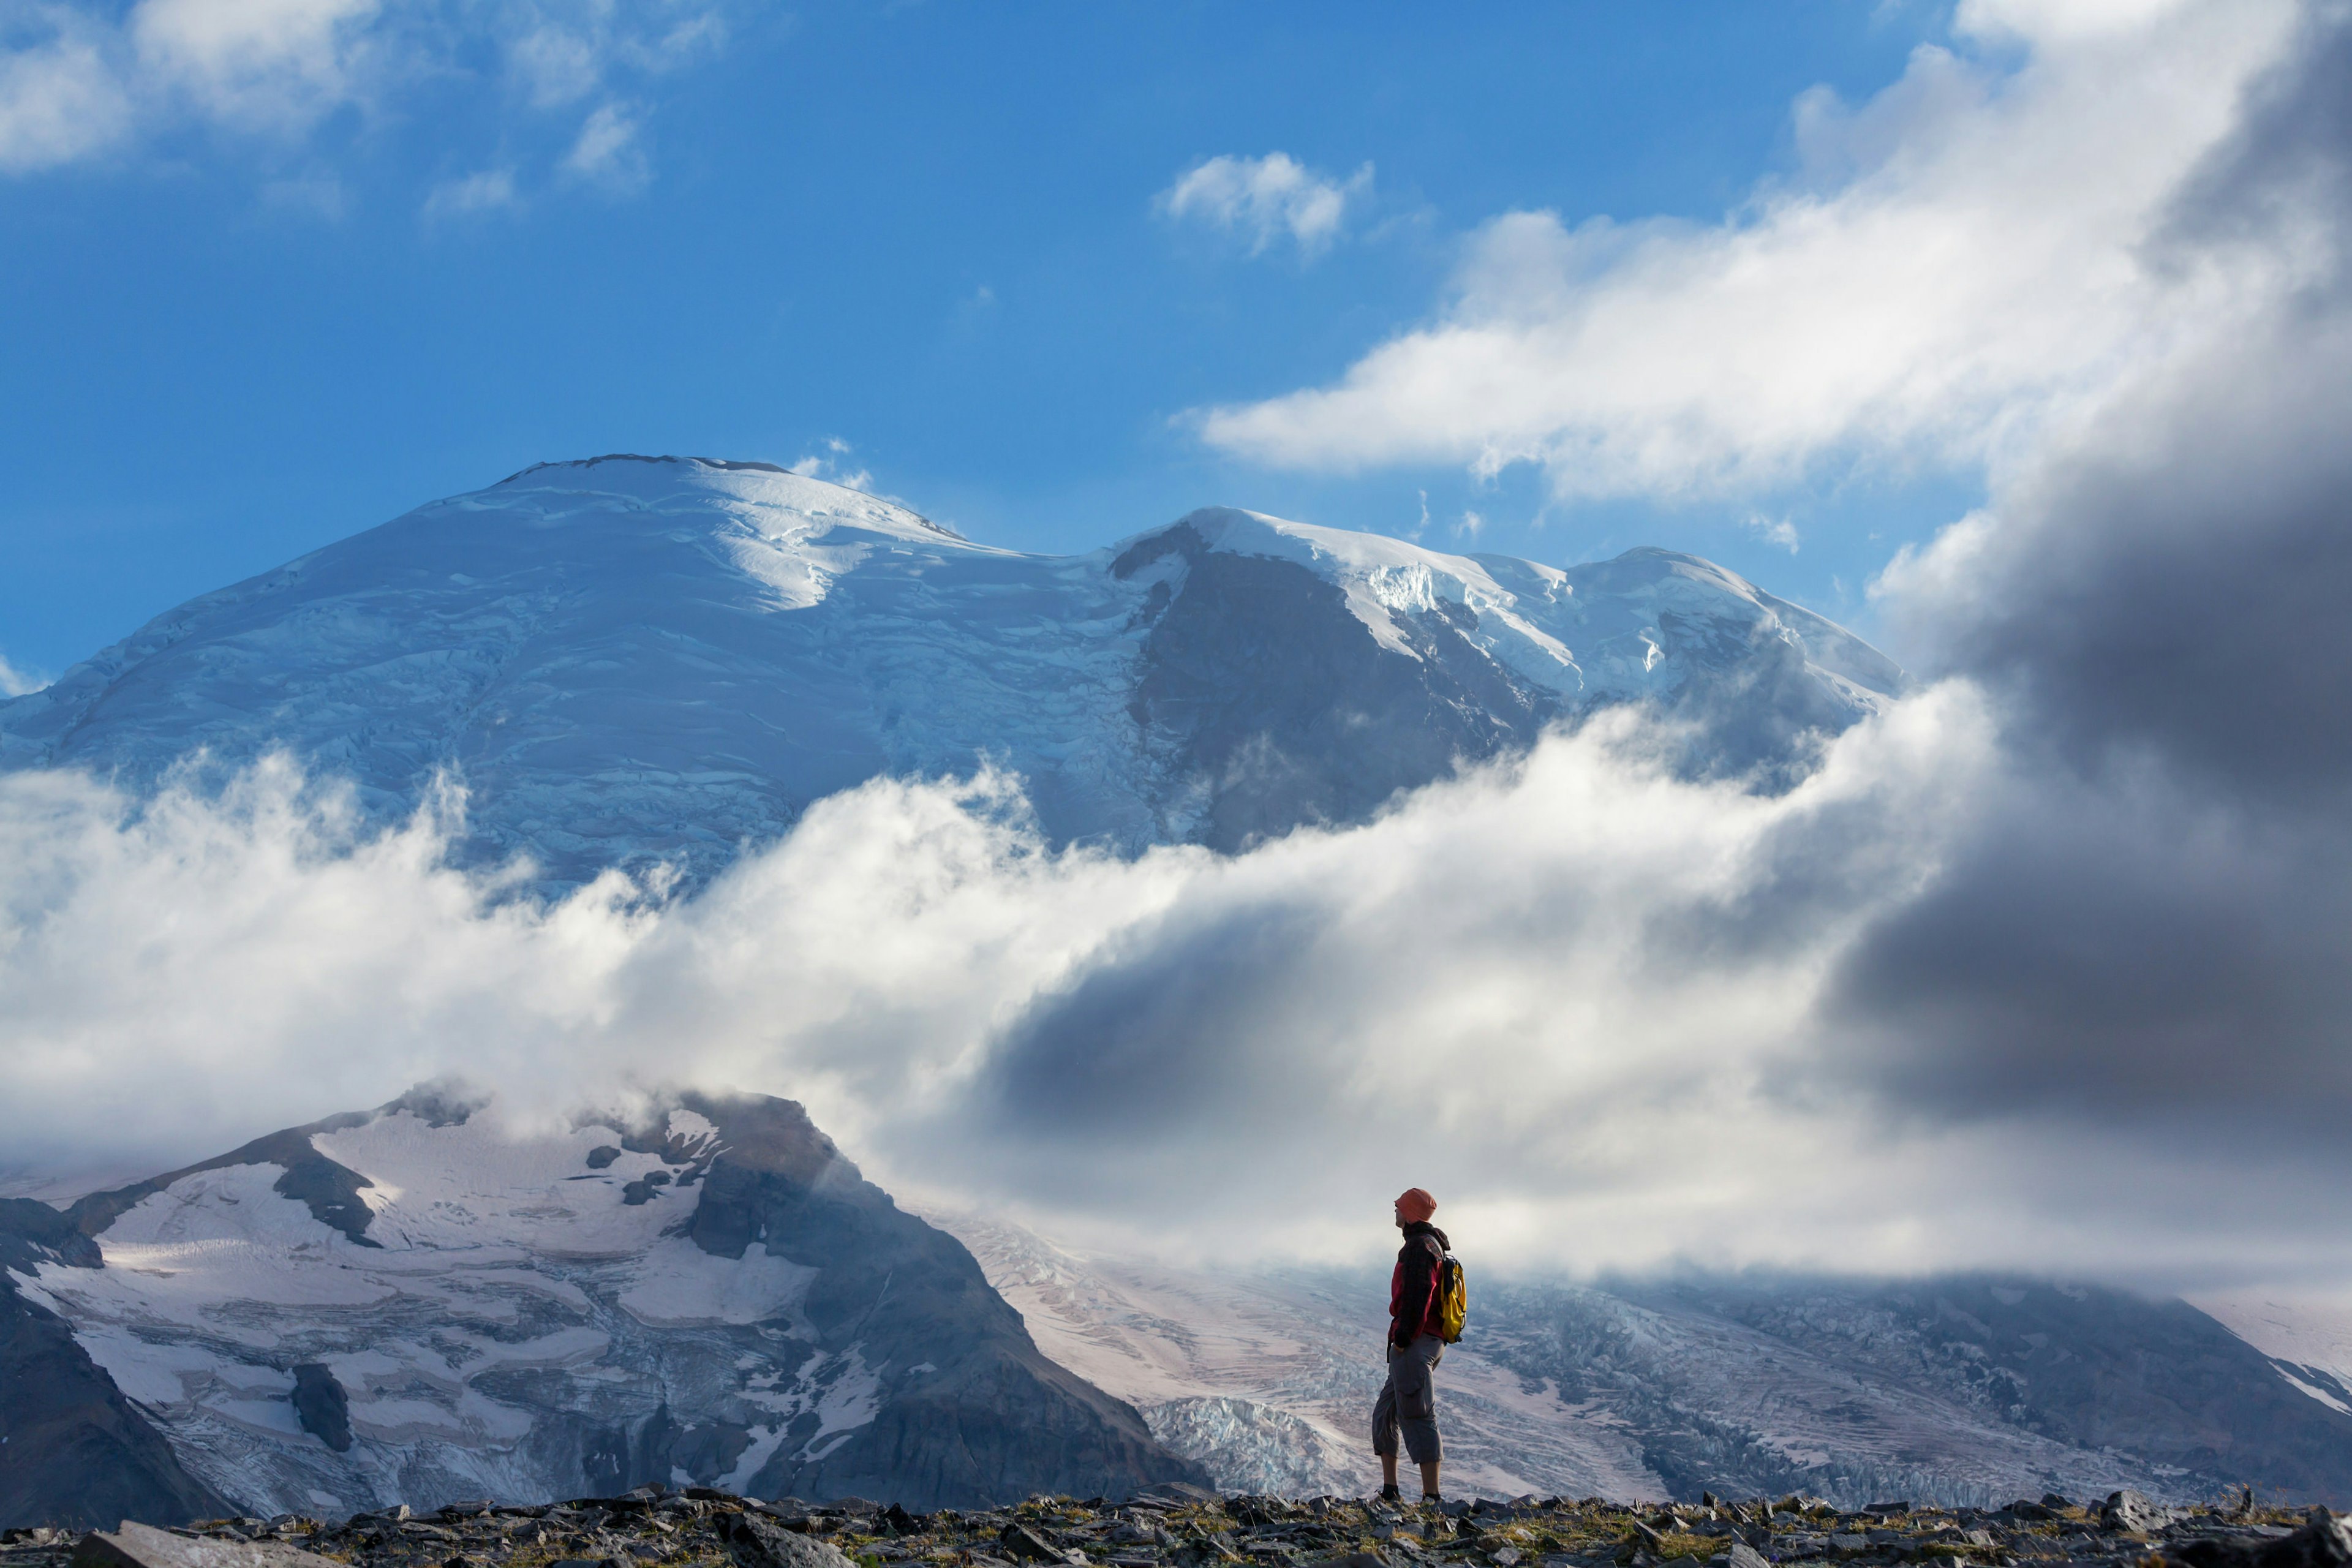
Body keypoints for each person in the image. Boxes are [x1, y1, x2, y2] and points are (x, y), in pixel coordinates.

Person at [1372, 1186, 1448, 1504]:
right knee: (1385, 1414)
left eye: (1400, 1206)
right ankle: (1391, 1492)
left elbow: (1419, 1297)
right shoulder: (1427, 1244)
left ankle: (1433, 1498)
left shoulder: (1420, 1248)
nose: (1395, 1209)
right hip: (1418, 1343)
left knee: (1418, 1416)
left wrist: (1403, 1339)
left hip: (1415, 1344)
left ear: (1411, 1213)